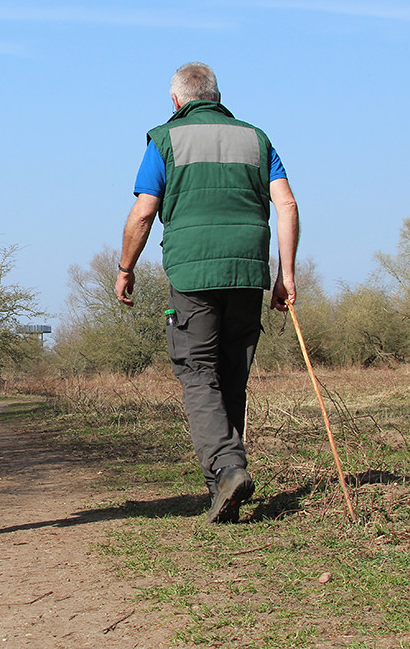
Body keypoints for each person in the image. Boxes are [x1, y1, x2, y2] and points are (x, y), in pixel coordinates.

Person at [115, 63, 299, 524]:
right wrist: (286, 274)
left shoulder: (165, 139)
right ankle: (223, 483)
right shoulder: (257, 139)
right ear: (216, 97)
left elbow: (142, 214)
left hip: (193, 273)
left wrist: (125, 269)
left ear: (176, 101)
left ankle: (227, 469)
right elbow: (288, 205)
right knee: (231, 373)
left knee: (198, 371)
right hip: (247, 271)